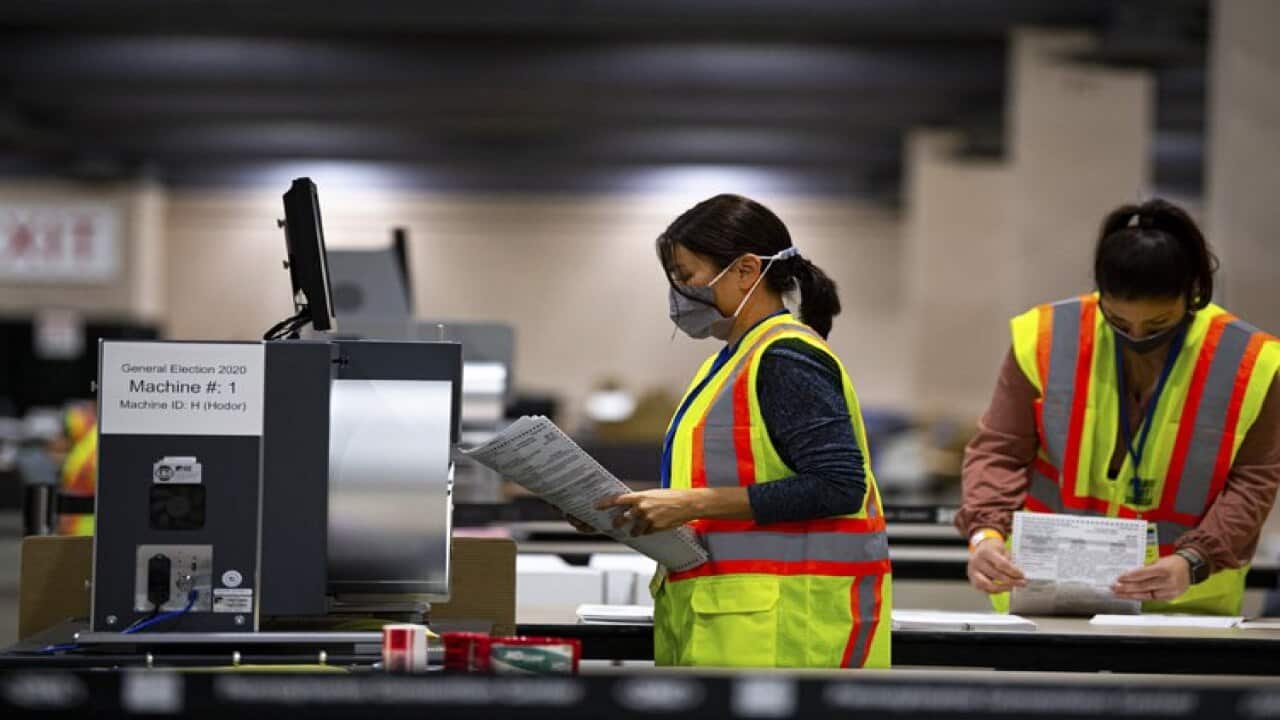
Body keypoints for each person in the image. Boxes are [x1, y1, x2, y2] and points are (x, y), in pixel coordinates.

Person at [587, 194, 891, 668]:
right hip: (737, 622)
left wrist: (690, 503)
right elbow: (721, 482)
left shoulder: (786, 358)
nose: (680, 293)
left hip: (787, 630)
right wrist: (631, 508)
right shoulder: (729, 362)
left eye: (686, 276)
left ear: (747, 271)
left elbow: (839, 486)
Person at [958, 198, 1280, 615]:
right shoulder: (1043, 337)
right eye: (1118, 321)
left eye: (1158, 324)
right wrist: (986, 534)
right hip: (1047, 594)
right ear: (1100, 294)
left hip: (1184, 603)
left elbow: (1254, 480)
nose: (1137, 335)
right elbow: (998, 450)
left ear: (1193, 295)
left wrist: (1193, 561)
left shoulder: (1252, 362)